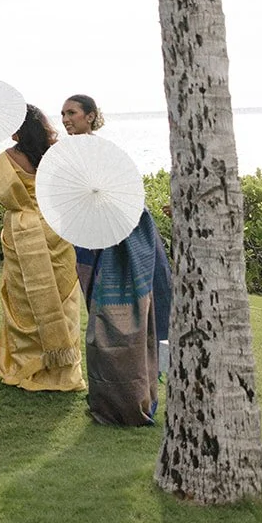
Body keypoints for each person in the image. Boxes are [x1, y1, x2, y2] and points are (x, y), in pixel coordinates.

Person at [61, 93, 172, 426]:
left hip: (117, 238)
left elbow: (125, 192)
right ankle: (107, 393)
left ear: (91, 116)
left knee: (119, 320)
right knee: (98, 317)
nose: (66, 119)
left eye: (73, 113)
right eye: (63, 113)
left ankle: (134, 393)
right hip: (85, 240)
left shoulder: (105, 153)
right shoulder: (64, 155)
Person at [0, 105, 85, 393]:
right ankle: (62, 367)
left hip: (22, 232)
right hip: (54, 230)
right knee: (63, 298)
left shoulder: (7, 158)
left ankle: (25, 365)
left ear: (19, 127)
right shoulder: (57, 153)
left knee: (24, 301)